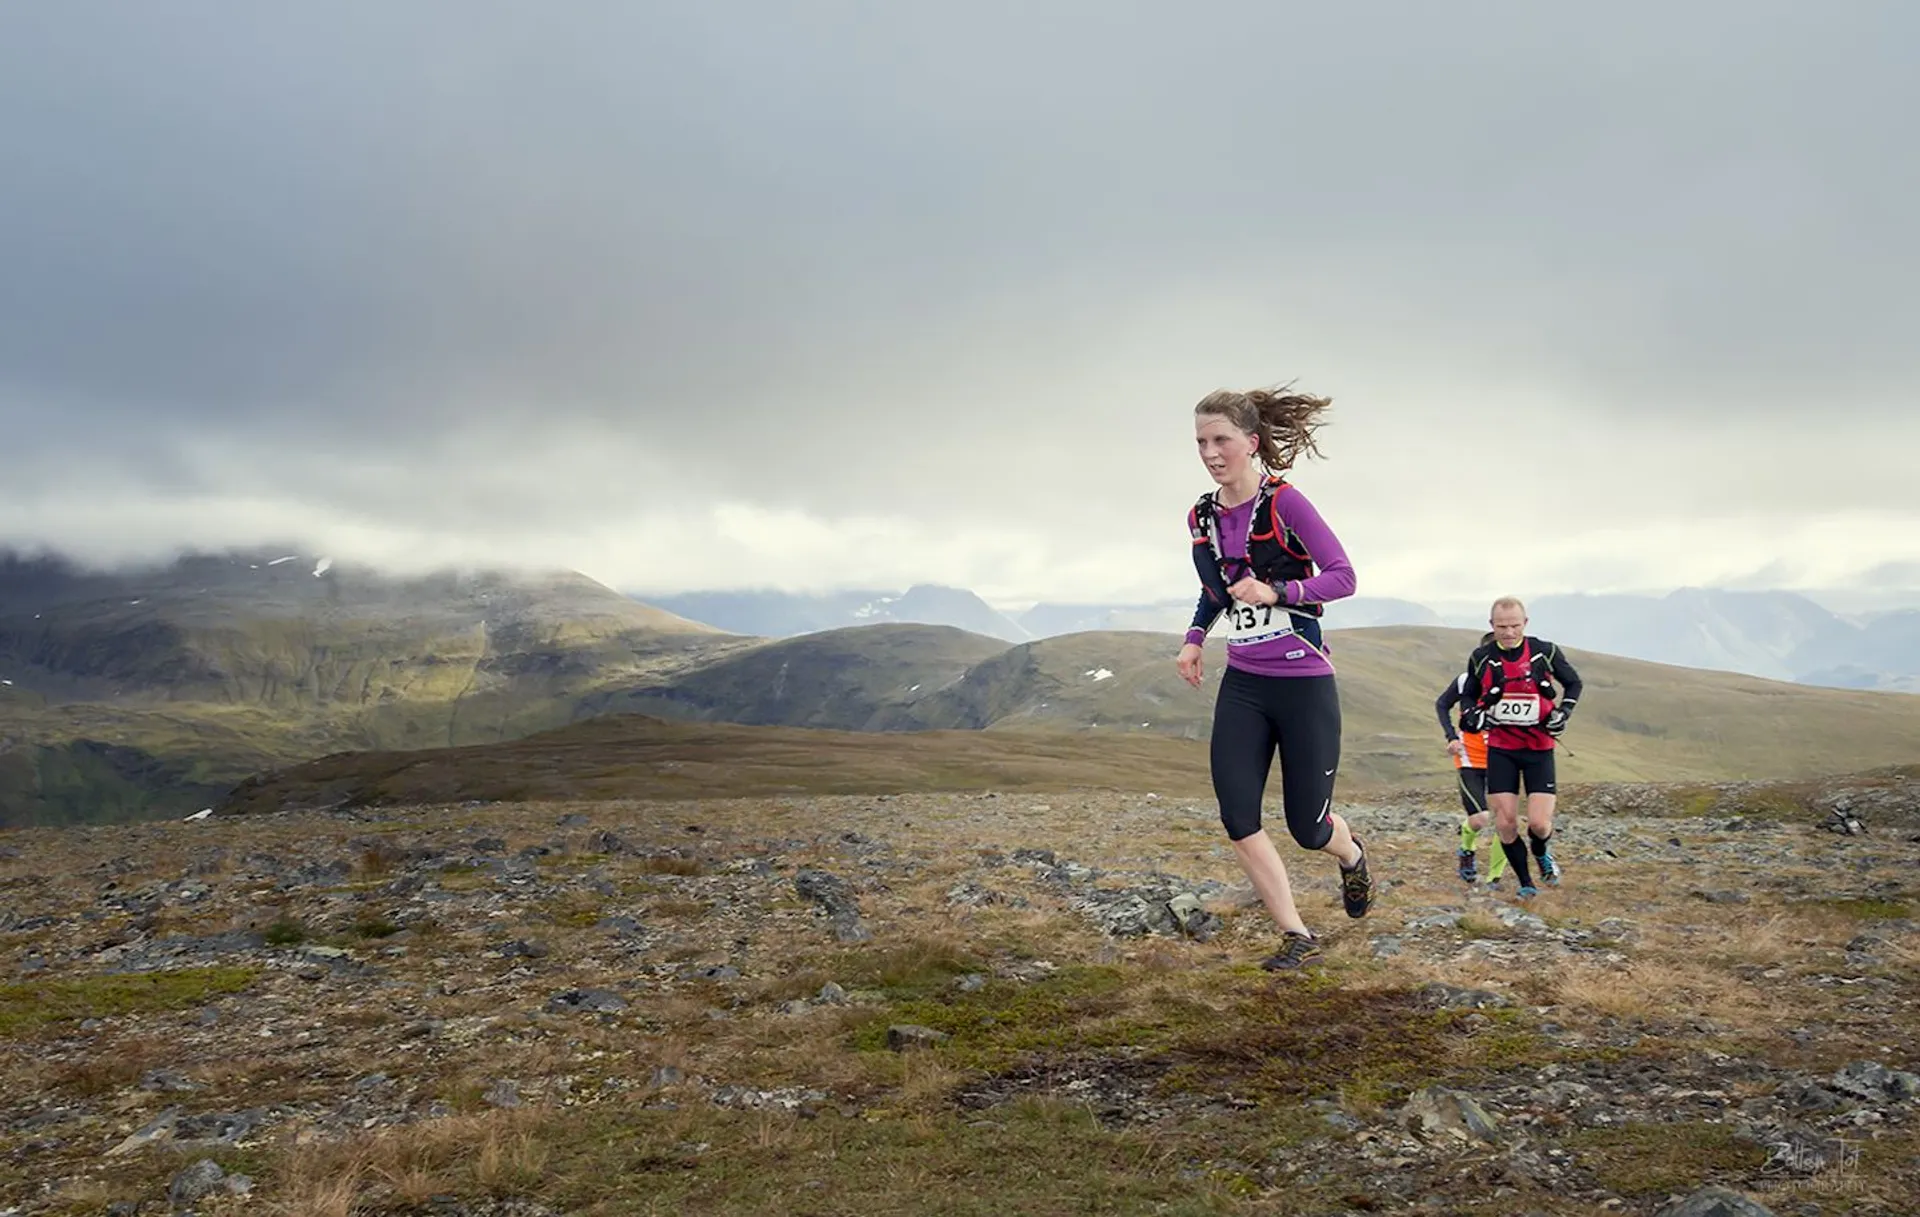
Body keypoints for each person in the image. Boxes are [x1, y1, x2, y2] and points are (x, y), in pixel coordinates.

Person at [1175, 384, 1372, 972]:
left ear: (1250, 443)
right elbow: (1216, 590)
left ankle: (1353, 856)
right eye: (1201, 442)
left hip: (1303, 683)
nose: (1211, 453)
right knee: (1238, 816)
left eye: (1221, 440)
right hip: (1244, 684)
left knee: (1309, 827)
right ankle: (1296, 936)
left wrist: (1279, 590)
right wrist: (1192, 639)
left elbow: (1343, 577)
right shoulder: (1201, 516)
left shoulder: (1287, 504)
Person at [1457, 597, 1582, 899]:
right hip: (1501, 749)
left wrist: (1563, 712)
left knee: (1539, 824)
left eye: (1514, 625)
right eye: (1502, 626)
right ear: (1492, 626)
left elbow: (1574, 683)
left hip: (1539, 748)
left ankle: (1541, 852)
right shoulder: (1481, 657)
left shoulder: (1545, 651)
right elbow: (1469, 693)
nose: (1509, 632)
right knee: (1505, 822)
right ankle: (1526, 883)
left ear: (1525, 623)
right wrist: (1472, 713)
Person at [1433, 636, 1512, 887]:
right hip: (1469, 758)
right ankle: (1466, 850)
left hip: (1504, 757)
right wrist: (1451, 736)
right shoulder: (1465, 681)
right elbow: (1442, 704)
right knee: (1479, 819)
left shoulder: (1518, 683)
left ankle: (1495, 877)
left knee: (1505, 821)